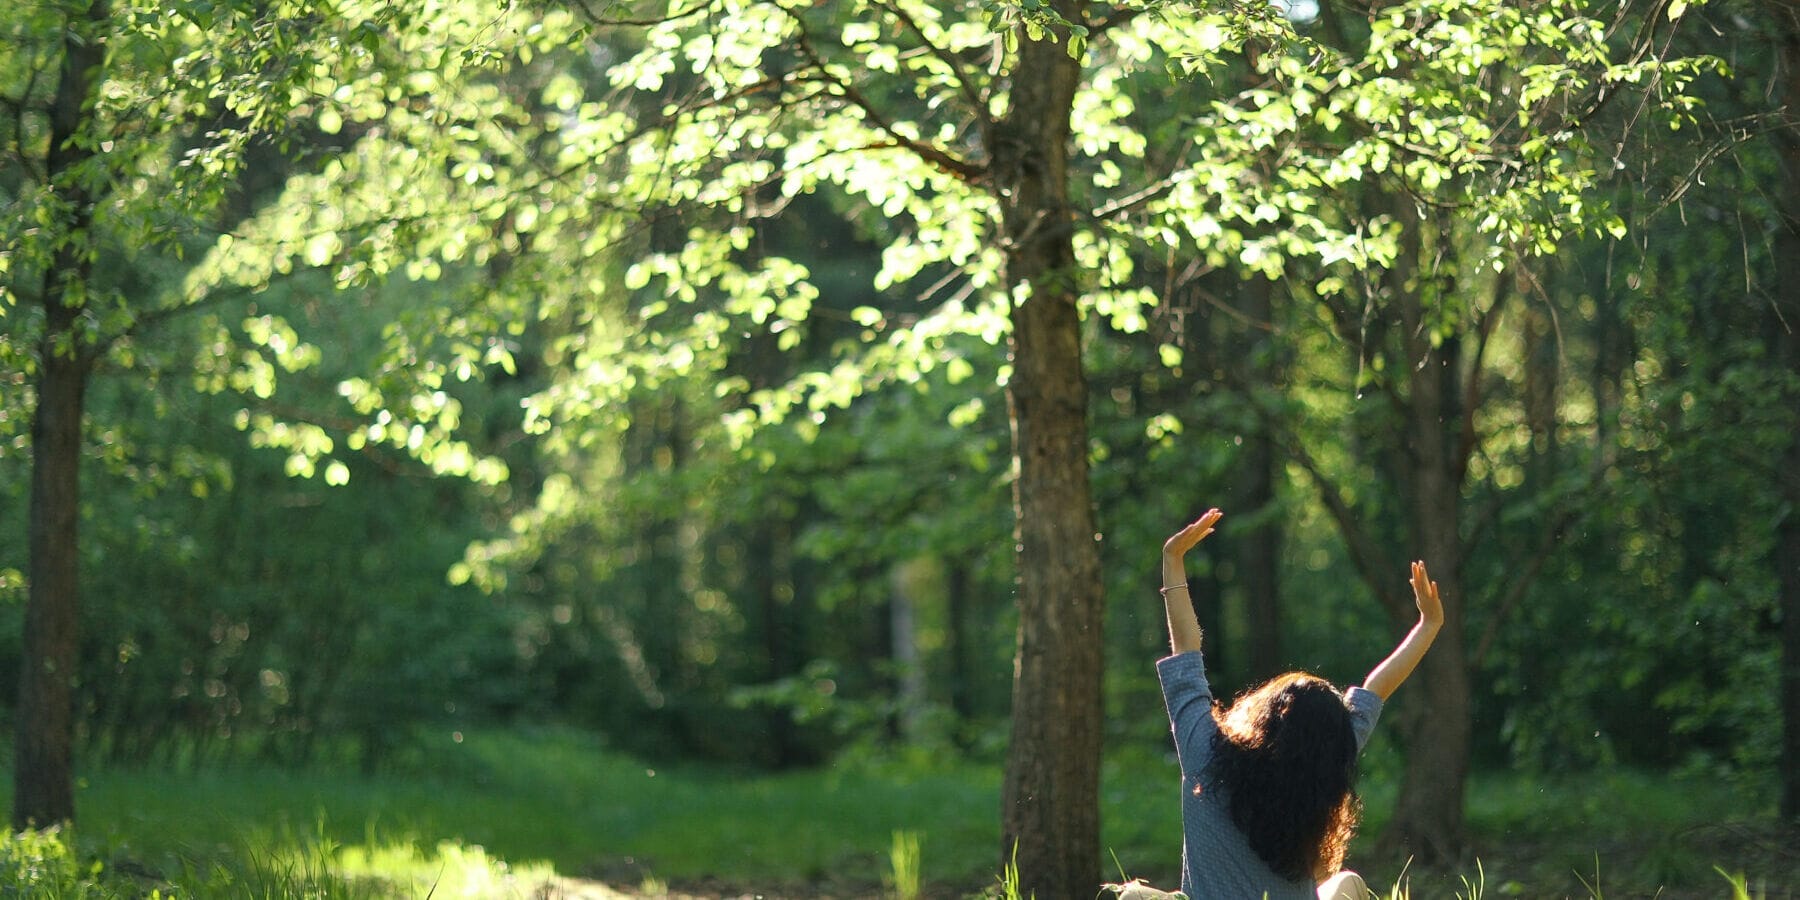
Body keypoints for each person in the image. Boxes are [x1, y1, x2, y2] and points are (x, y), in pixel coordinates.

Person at [1153, 508, 1443, 900]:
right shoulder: (1327, 762)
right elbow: (1377, 688)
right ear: (1330, 738)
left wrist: (1173, 562)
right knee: (1347, 884)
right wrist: (1428, 626)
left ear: (1262, 715)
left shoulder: (1204, 753)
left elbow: (1187, 653)